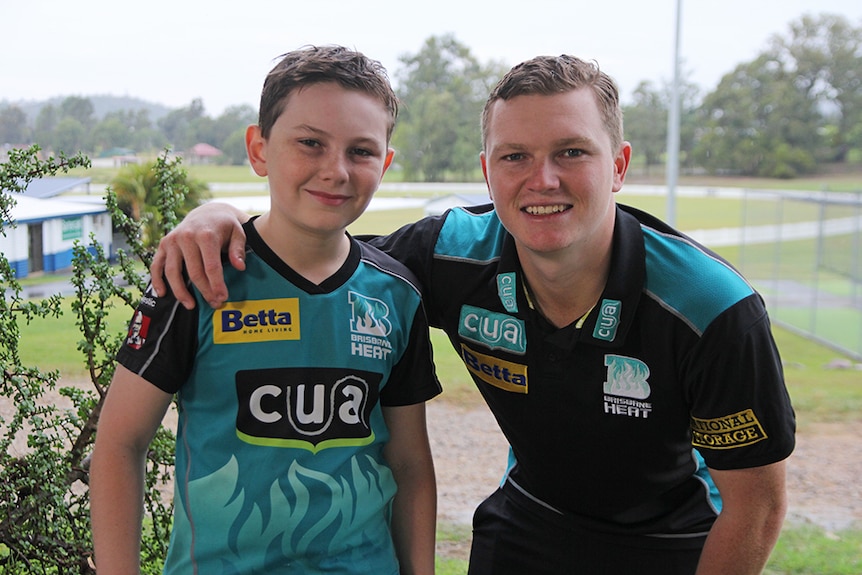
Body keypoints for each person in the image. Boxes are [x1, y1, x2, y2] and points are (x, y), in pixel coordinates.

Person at [150, 54, 796, 575]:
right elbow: (323, 255)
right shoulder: (452, 252)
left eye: (572, 151)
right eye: (515, 156)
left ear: (619, 166)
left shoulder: (712, 307)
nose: (542, 179)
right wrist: (219, 216)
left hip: (672, 538)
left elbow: (756, 509)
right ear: (488, 173)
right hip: (530, 519)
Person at [90, 45, 441, 575]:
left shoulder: (396, 295)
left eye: (361, 151)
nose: (336, 170)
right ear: (259, 149)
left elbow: (410, 466)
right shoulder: (198, 276)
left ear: (385, 163)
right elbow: (120, 444)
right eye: (310, 143)